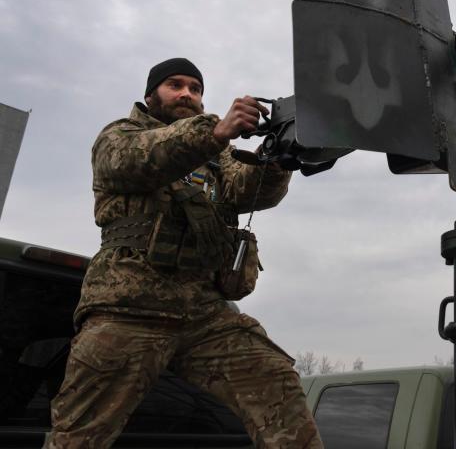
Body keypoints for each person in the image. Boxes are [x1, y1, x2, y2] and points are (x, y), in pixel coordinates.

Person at [45, 58, 323, 448]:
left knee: (275, 378)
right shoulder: (120, 135)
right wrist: (217, 130)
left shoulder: (215, 155)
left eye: (195, 88)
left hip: (203, 313)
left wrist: (278, 155)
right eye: (174, 85)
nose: (186, 94)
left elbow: (248, 193)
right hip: (128, 309)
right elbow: (135, 161)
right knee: (81, 433)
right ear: (150, 95)